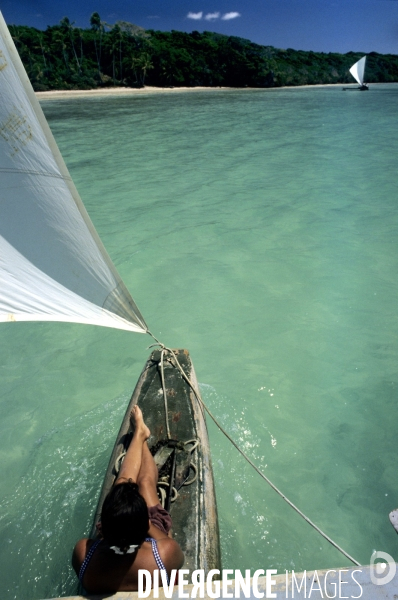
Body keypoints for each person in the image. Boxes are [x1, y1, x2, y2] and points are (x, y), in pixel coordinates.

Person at [72, 405, 184, 593]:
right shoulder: (165, 554)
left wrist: (119, 520)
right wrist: (146, 523)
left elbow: (106, 543)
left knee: (121, 489)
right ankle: (142, 440)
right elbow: (167, 543)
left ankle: (139, 434)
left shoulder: (82, 553)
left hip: (121, 534)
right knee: (146, 483)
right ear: (144, 526)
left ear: (104, 528)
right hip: (146, 543)